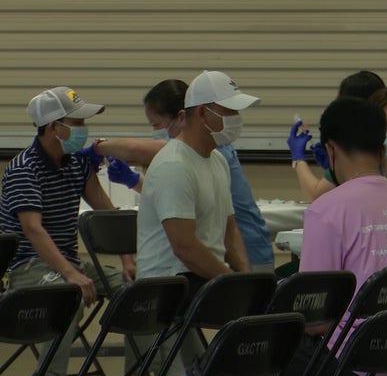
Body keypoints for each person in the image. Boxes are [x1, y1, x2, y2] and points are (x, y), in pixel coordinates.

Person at [285, 96, 387, 376]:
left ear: (330, 150)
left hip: (359, 365)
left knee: (253, 351)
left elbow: (312, 316)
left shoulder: (327, 209)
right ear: (382, 151)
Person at [0, 86, 135, 376]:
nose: (82, 130)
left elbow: (105, 211)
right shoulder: (23, 169)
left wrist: (128, 258)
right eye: (76, 122)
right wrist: (70, 273)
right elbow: (33, 229)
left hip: (68, 262)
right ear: (53, 128)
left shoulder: (76, 164)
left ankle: (142, 374)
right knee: (67, 293)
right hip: (28, 268)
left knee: (137, 290)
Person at [80, 79, 274, 271]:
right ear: (201, 113)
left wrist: (243, 281)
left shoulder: (217, 158)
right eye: (229, 111)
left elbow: (229, 229)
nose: (236, 118)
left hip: (208, 274)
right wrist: (233, 285)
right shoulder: (174, 162)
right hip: (175, 284)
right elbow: (185, 248)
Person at [290, 70, 386, 200]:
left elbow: (318, 195)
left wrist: (298, 159)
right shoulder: (379, 136)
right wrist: (333, 169)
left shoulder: (352, 143)